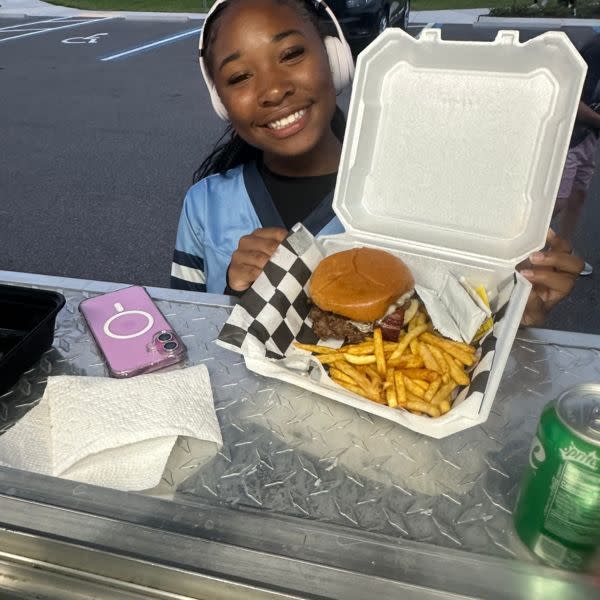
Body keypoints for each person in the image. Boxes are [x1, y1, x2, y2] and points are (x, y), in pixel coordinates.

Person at [171, 0, 583, 328]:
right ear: (221, 102)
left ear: (335, 57)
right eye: (239, 77)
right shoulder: (203, 205)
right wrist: (233, 295)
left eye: (291, 54)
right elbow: (185, 329)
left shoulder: (411, 195)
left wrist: (517, 315)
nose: (273, 90)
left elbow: (461, 326)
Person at [554, 33, 600, 276]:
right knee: (557, 200)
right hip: (569, 137)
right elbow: (572, 101)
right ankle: (519, 250)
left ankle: (562, 250)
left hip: (589, 137)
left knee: (577, 196)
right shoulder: (595, 50)